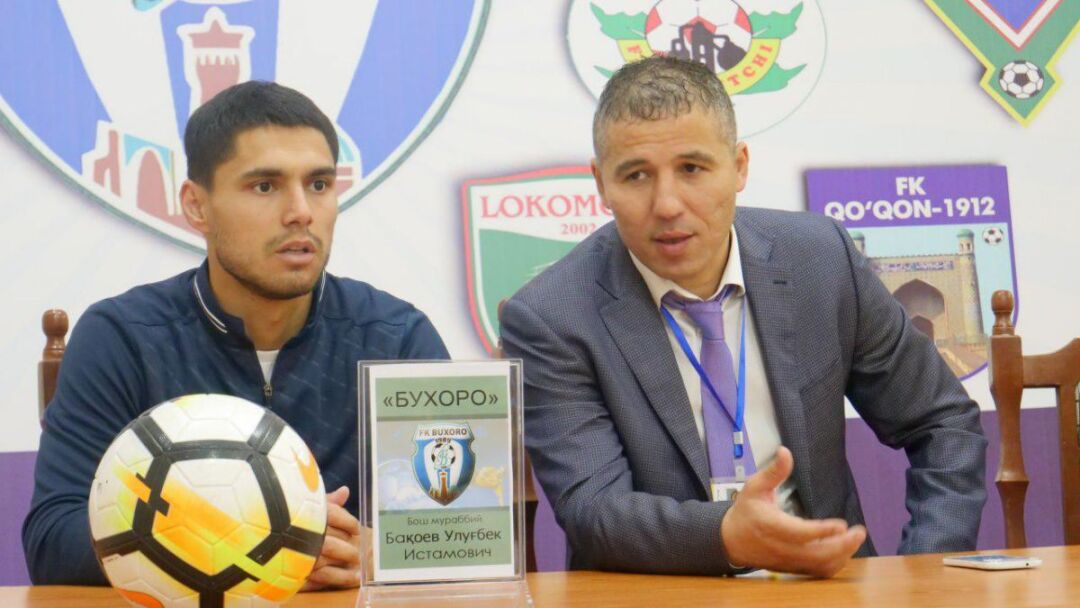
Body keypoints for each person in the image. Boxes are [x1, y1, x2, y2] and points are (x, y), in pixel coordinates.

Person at [500, 56, 986, 578]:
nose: (667, 204)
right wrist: (728, 535)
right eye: (636, 175)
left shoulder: (821, 261)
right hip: (663, 592)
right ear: (601, 183)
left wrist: (923, 572)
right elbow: (594, 511)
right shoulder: (551, 316)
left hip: (825, 587)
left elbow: (943, 424)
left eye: (692, 169)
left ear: (739, 166)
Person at [22, 81, 449, 587]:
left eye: (319, 184)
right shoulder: (124, 339)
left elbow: (459, 526)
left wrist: (388, 551)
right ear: (196, 206)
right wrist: (252, 541)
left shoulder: (396, 339)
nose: (301, 211)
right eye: (265, 186)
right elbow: (54, 540)